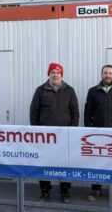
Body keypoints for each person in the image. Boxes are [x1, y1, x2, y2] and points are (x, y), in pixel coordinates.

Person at [30, 63, 79, 203]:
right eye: (53, 72)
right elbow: (34, 111)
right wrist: (36, 130)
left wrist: (73, 131)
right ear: (48, 74)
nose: (55, 74)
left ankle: (65, 190)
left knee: (65, 163)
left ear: (61, 74)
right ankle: (45, 190)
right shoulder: (40, 90)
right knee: (44, 162)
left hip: (65, 135)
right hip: (45, 135)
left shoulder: (69, 90)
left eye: (58, 72)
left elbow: (75, 112)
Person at [84, 64, 112, 202]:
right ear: (101, 74)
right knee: (96, 162)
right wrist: (89, 130)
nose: (108, 75)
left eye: (110, 73)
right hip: (97, 134)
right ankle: (96, 190)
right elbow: (87, 112)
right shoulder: (93, 91)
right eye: (105, 73)